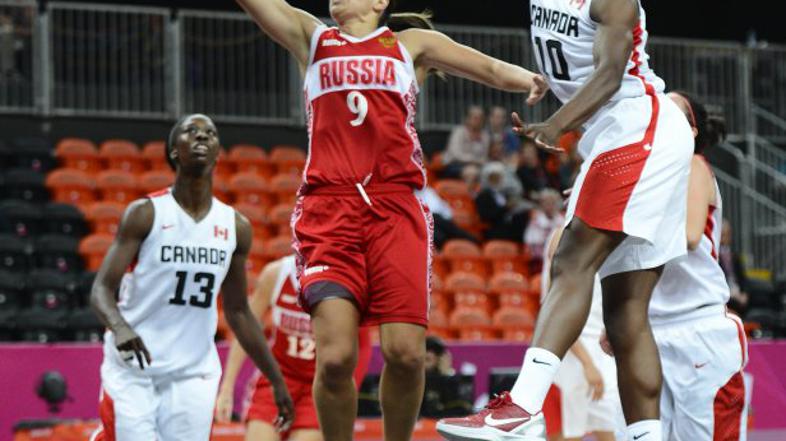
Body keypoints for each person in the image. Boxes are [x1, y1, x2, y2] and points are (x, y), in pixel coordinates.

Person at [235, 1, 548, 440]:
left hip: (395, 207)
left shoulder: (410, 45)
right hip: (330, 209)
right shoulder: (313, 37)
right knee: (338, 357)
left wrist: (532, 81)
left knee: (404, 354)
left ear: (380, 1)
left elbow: (491, 69)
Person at [437, 0, 695, 440]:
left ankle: (522, 408)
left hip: (638, 126)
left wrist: (556, 125)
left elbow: (611, 73)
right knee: (625, 310)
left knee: (571, 260)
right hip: (624, 133)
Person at [89, 114, 293, 441]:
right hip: (134, 369)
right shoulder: (145, 214)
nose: (201, 137)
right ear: (173, 151)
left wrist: (277, 380)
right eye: (191, 132)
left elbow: (239, 312)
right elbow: (101, 289)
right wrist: (120, 327)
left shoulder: (234, 226)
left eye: (210, 134)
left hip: (193, 374)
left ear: (217, 152)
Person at [639, 92, 748, 440]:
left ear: (691, 130)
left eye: (675, 108)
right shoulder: (642, 181)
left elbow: (687, 236)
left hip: (698, 328)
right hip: (650, 329)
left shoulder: (693, 165)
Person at [215, 255, 373, 441]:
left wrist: (346, 391)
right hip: (277, 380)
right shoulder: (275, 274)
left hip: (320, 385)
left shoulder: (345, 280)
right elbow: (245, 330)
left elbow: (362, 344)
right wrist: (226, 387)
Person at [540, 226, 624, 441]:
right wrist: (587, 364)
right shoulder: (563, 234)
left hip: (601, 355)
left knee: (611, 428)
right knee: (570, 434)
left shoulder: (612, 236)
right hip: (571, 357)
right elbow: (557, 314)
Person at [475, 161, 529, 241]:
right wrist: (506, 208)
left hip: (508, 226)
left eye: (499, 177)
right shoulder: (483, 196)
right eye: (494, 177)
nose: (497, 180)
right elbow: (486, 216)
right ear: (488, 178)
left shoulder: (504, 193)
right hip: (494, 229)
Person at [443, 106, 492, 179]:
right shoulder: (458, 131)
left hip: (478, 166)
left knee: (494, 170)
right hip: (455, 164)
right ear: (467, 119)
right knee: (472, 171)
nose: (478, 120)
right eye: (475, 118)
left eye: (481, 118)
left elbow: (484, 156)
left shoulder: (485, 135)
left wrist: (478, 162)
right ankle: (471, 190)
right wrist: (474, 160)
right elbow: (456, 155)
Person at [525, 189, 565, 262]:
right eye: (546, 202)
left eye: (552, 202)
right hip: (539, 260)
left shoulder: (562, 220)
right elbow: (531, 241)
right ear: (541, 204)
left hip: (559, 258)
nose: (549, 205)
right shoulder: (536, 220)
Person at [719, 221, 750, 316]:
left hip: (737, 291)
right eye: (723, 234)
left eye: (728, 234)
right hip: (725, 292)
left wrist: (745, 293)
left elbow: (743, 278)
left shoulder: (735, 255)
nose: (726, 238)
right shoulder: (714, 256)